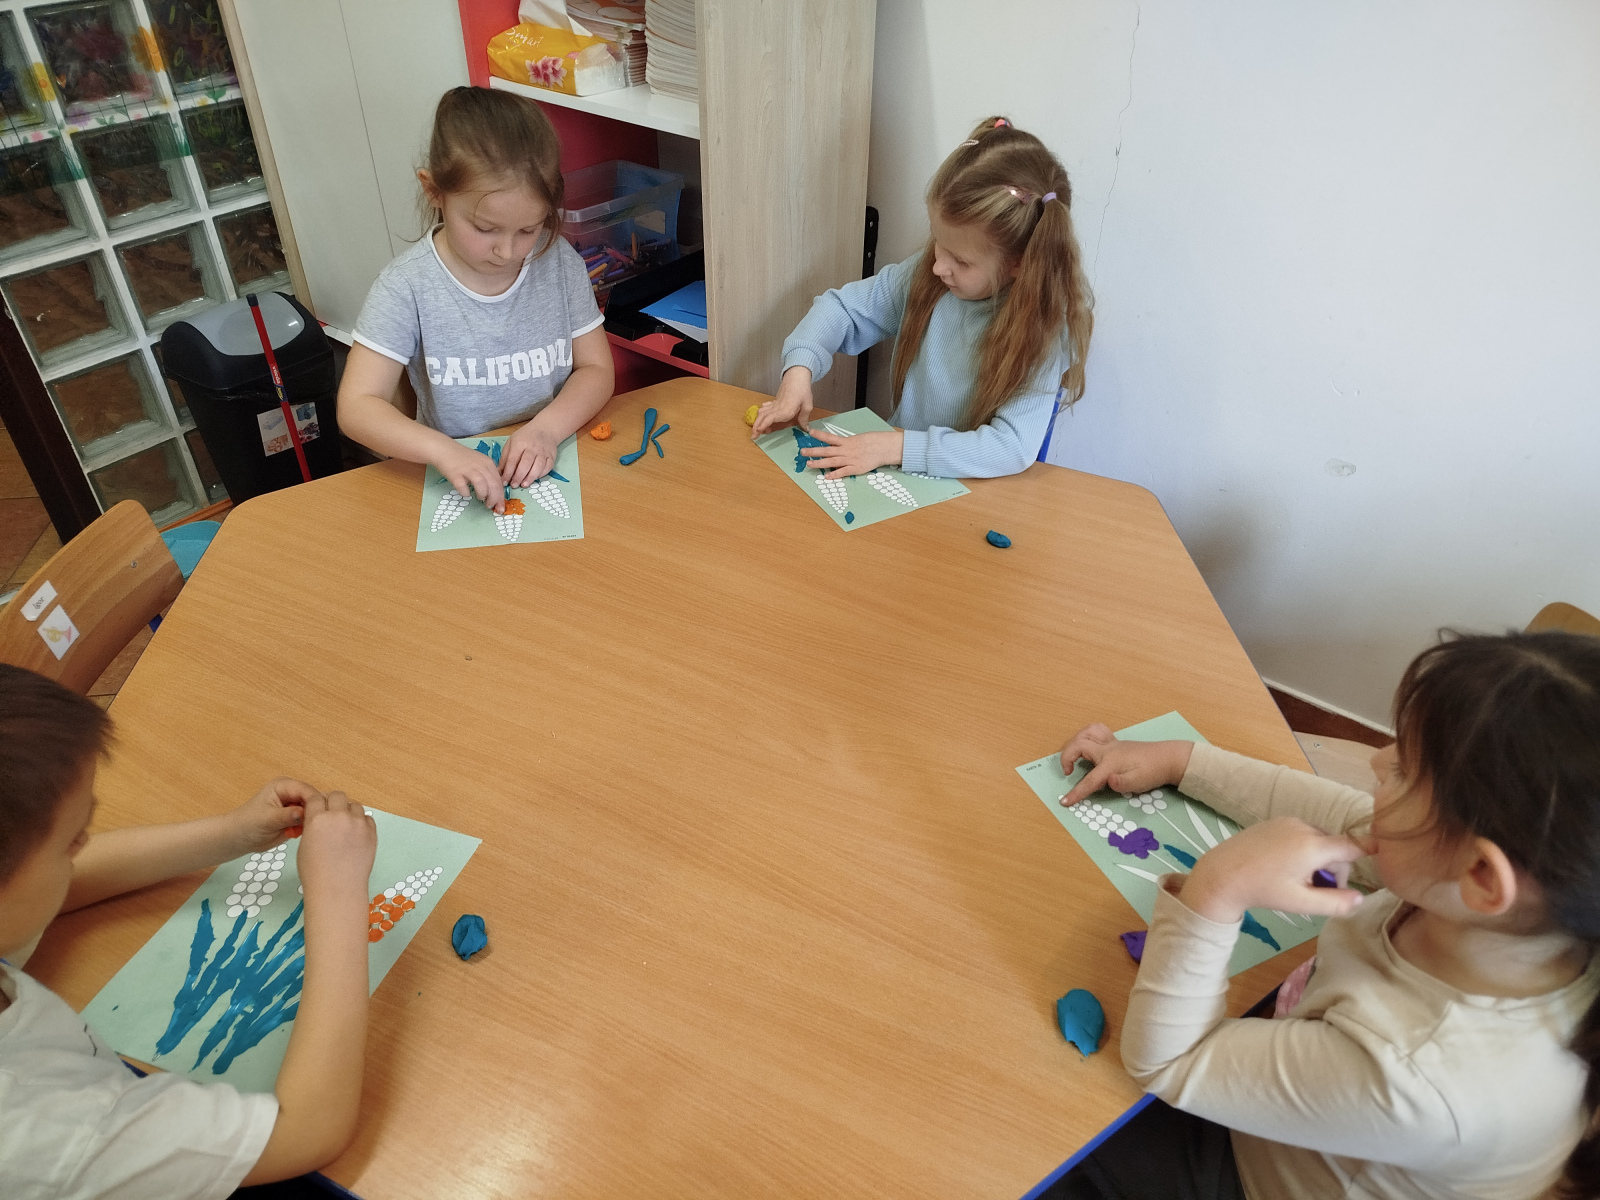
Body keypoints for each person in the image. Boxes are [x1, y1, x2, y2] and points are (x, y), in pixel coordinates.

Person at [1040, 630, 1600, 1200]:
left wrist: (1216, 886)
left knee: (1052, 1126)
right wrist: (1183, 761)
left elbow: (1167, 1064)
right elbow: (1345, 817)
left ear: (1483, 875)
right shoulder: (1528, 910)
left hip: (1256, 1175)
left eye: (1407, 769)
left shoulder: (1417, 1076)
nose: (1377, 760)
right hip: (1316, 1083)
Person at [0, 664, 378, 1198]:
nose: (83, 847)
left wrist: (230, 834)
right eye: (71, 841)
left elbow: (55, 883)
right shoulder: (50, 1132)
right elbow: (306, 1131)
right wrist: (338, 891)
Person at [751, 116, 1093, 480]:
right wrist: (799, 369)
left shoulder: (1043, 331)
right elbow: (842, 310)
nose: (937, 266)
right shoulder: (928, 276)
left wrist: (896, 447)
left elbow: (1010, 447)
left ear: (1018, 264)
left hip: (970, 490)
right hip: (898, 473)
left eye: (961, 260)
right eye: (937, 241)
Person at [339, 86, 614, 514]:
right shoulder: (405, 286)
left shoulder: (559, 262)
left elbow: (596, 369)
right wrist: (442, 450)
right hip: (457, 476)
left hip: (552, 451)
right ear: (434, 192)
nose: (508, 251)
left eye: (529, 229)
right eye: (486, 229)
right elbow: (357, 407)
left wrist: (546, 430)